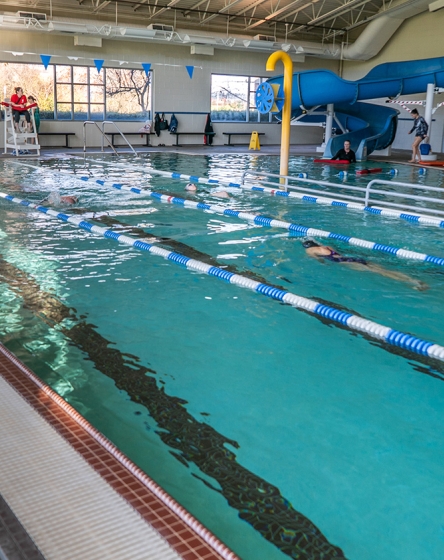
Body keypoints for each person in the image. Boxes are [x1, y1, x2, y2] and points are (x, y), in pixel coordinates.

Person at [302, 239, 427, 290]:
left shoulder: (310, 250)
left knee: (381, 273)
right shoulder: (326, 246)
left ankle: (415, 283)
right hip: (351, 258)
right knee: (384, 269)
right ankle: (414, 280)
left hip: (344, 262)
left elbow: (318, 259)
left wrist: (323, 264)